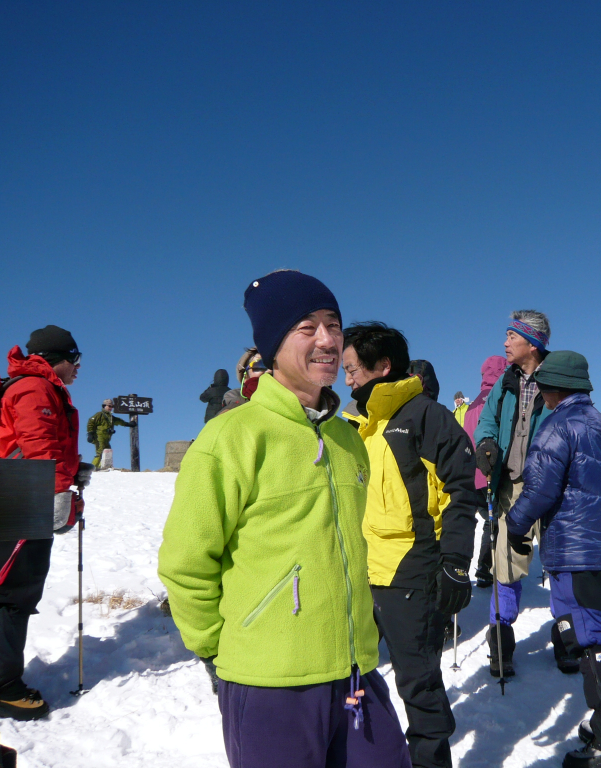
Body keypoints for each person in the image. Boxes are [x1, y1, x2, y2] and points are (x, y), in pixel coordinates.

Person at [158, 271, 410, 768]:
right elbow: (186, 563)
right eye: (307, 327)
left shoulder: (347, 438)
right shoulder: (232, 438)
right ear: (272, 345)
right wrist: (218, 653)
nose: (327, 340)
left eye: (334, 325)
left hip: (356, 671)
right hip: (270, 681)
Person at [342, 322, 476, 768]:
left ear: (383, 366)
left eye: (353, 368)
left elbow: (461, 489)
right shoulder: (355, 426)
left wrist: (455, 561)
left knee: (418, 684)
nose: (347, 379)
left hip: (411, 573)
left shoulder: (425, 416)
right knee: (349, 679)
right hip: (361, 573)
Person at [505, 351, 601, 768]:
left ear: (553, 388)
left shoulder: (557, 427)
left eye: (544, 388)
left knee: (588, 643)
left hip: (574, 551)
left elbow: (540, 489)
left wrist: (513, 525)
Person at [0, 325, 92, 720]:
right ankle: (3, 689)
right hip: (18, 494)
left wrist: (74, 470)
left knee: (3, 592)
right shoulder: (35, 387)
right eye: (75, 360)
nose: (78, 369)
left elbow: (43, 443)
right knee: (14, 595)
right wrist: (58, 491)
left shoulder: (31, 384)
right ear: (60, 357)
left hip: (9, 490)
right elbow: (37, 443)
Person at [473, 310, 578, 676]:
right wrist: (486, 442)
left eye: (511, 337)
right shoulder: (505, 381)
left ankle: (567, 636)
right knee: (505, 560)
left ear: (531, 343)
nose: (505, 343)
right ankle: (500, 638)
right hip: (507, 486)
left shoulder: (558, 378)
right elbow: (487, 419)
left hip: (551, 486)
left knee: (559, 564)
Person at [461, 356, 508, 587]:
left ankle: (475, 569)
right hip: (492, 472)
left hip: (471, 476)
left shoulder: (471, 405)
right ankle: (486, 569)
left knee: (485, 521)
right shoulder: (500, 399)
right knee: (495, 522)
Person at [85, 398, 132, 468]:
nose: (111, 408)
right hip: (99, 437)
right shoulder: (99, 415)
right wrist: (90, 434)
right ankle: (93, 467)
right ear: (104, 406)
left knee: (108, 451)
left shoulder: (110, 417)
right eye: (109, 406)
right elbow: (91, 422)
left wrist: (128, 424)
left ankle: (103, 467)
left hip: (107, 438)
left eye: (112, 406)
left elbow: (119, 421)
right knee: (100, 452)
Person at [219, 349, 267, 413]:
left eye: (274, 365)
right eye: (260, 365)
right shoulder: (231, 413)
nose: (269, 370)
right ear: (245, 376)